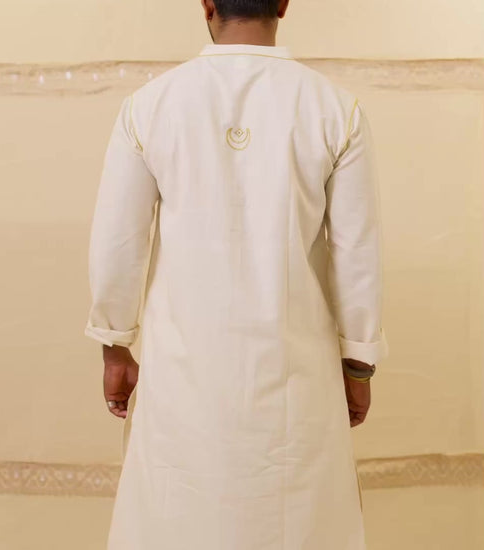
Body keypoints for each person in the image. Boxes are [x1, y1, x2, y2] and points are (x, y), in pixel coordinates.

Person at [84, 0, 389, 548]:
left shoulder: (149, 107)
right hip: (296, 378)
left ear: (207, 3)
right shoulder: (334, 110)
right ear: (283, 4)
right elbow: (357, 253)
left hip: (183, 377)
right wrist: (359, 365)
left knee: (177, 521)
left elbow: (118, 243)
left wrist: (114, 346)